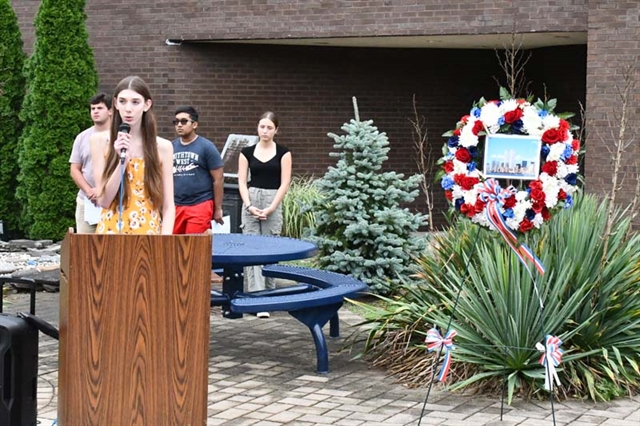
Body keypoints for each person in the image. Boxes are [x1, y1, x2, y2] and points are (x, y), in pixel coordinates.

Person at [91, 75, 175, 235]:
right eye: (122, 101)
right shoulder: (100, 141)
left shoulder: (163, 147)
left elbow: (169, 205)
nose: (128, 108)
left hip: (148, 234)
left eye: (135, 102)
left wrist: (165, 244)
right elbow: (104, 200)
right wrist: (121, 163)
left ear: (146, 105)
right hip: (111, 232)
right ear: (115, 104)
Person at [238, 111, 292, 318]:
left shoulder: (284, 153)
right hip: (251, 199)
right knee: (252, 249)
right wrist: (249, 205)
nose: (265, 131)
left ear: (276, 130)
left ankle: (269, 297)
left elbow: (285, 182)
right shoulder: (247, 152)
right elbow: (242, 181)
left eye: (269, 127)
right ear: (257, 128)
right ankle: (256, 299)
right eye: (262, 126)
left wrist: (271, 207)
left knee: (270, 247)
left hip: (273, 201)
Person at [172, 105, 224, 234]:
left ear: (194, 124)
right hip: (176, 204)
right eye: (176, 122)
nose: (179, 125)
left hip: (200, 204)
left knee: (195, 247)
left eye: (184, 121)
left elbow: (218, 179)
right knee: (172, 247)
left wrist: (218, 208)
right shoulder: (170, 147)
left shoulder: (207, 147)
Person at [69, 93, 112, 233]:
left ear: (110, 111)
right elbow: (75, 169)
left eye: (100, 108)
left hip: (113, 199)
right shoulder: (82, 137)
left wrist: (102, 190)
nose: (95, 112)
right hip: (87, 201)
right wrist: (89, 191)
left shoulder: (119, 136)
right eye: (93, 109)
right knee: (85, 247)